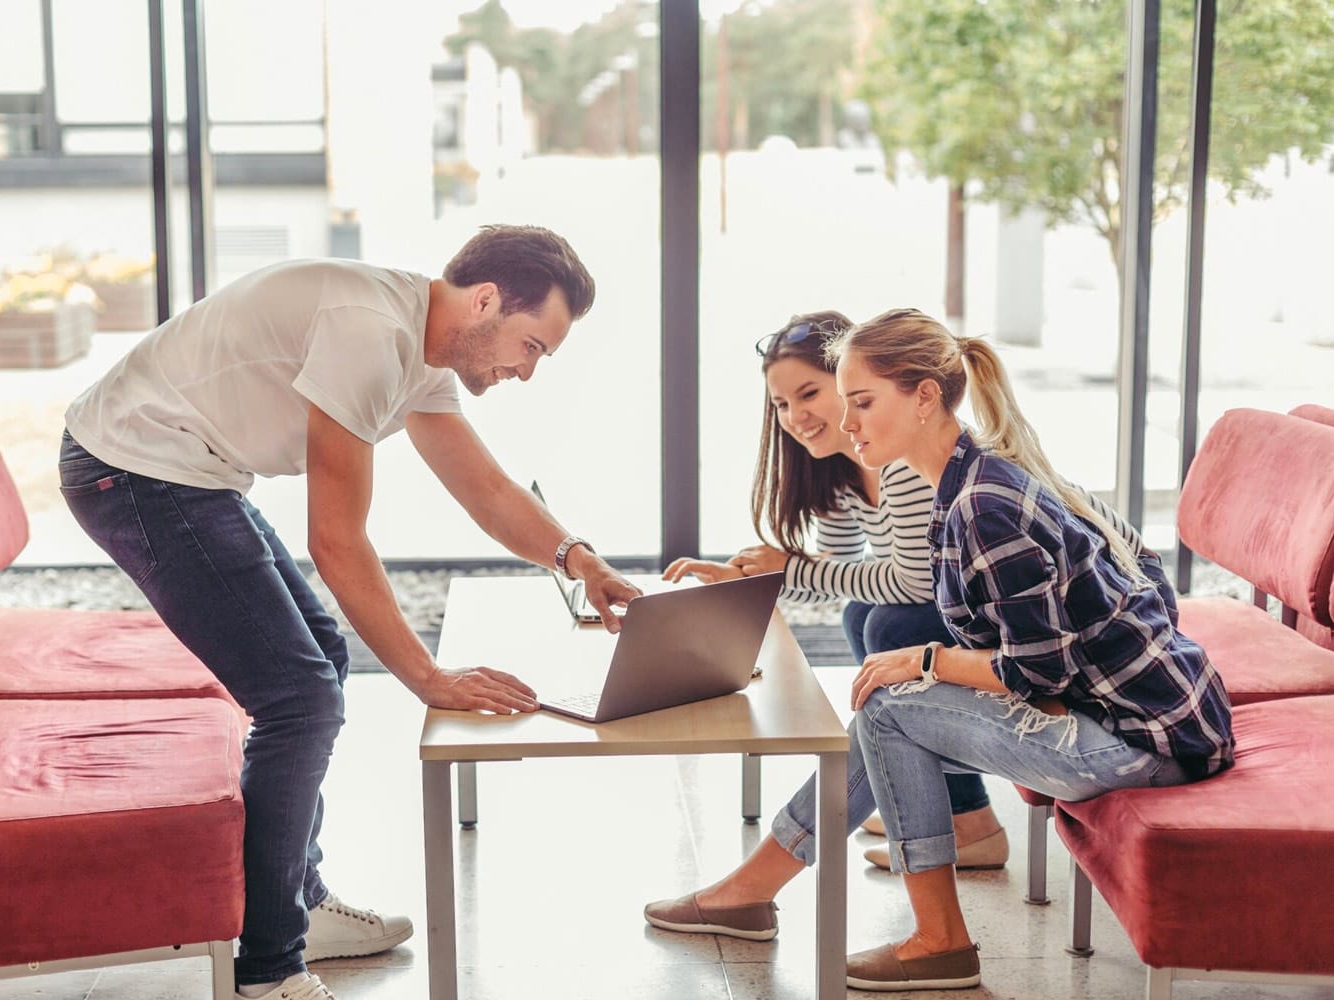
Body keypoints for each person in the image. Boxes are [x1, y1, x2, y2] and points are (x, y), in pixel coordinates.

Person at [59, 225, 642, 1000]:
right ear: (488, 300)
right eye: (531, 346)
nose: (526, 373)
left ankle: (299, 902)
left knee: (321, 662)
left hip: (190, 473)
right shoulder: (368, 332)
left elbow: (487, 491)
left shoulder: (423, 346)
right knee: (299, 698)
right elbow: (335, 540)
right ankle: (268, 968)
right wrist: (428, 676)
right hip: (129, 469)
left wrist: (579, 558)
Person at [645, 308, 1234, 992]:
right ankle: (758, 892)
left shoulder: (980, 505)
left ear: (925, 397)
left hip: (1146, 744)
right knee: (886, 703)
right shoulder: (965, 481)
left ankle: (933, 938)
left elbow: (1039, 667)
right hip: (1145, 723)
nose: (846, 418)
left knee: (890, 701)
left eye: (860, 402)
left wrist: (928, 663)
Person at [663, 311, 1009, 871]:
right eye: (780, 405)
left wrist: (790, 570)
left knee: (886, 625)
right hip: (954, 609)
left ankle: (966, 819)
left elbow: (914, 581)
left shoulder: (901, 461)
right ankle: (955, 810)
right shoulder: (843, 469)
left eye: (810, 394)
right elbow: (835, 576)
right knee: (863, 616)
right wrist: (753, 582)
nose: (796, 417)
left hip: (1004, 623)